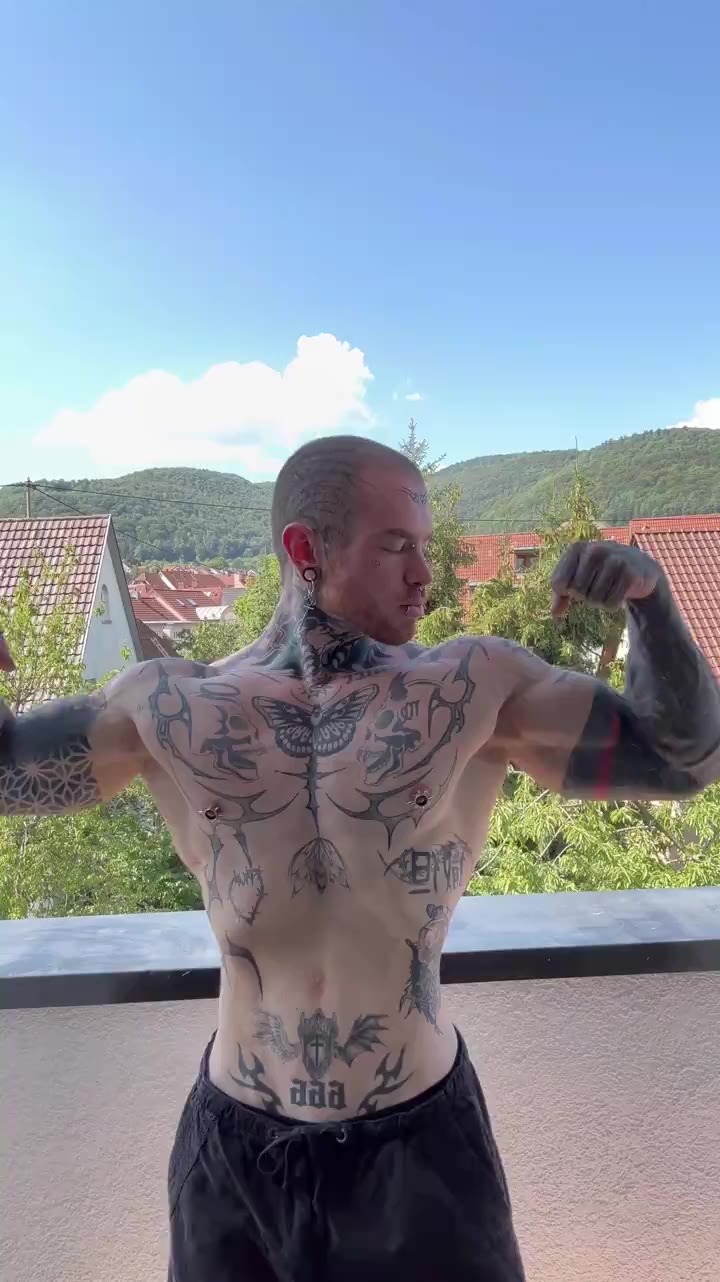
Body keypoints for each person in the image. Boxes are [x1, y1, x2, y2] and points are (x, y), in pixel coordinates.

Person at [2, 435, 720, 1282]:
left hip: (419, 1152)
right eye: (396, 547)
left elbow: (683, 762)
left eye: (425, 547)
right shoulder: (171, 705)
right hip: (235, 1155)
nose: (426, 575)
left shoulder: (472, 688)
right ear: (306, 550)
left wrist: (650, 603)